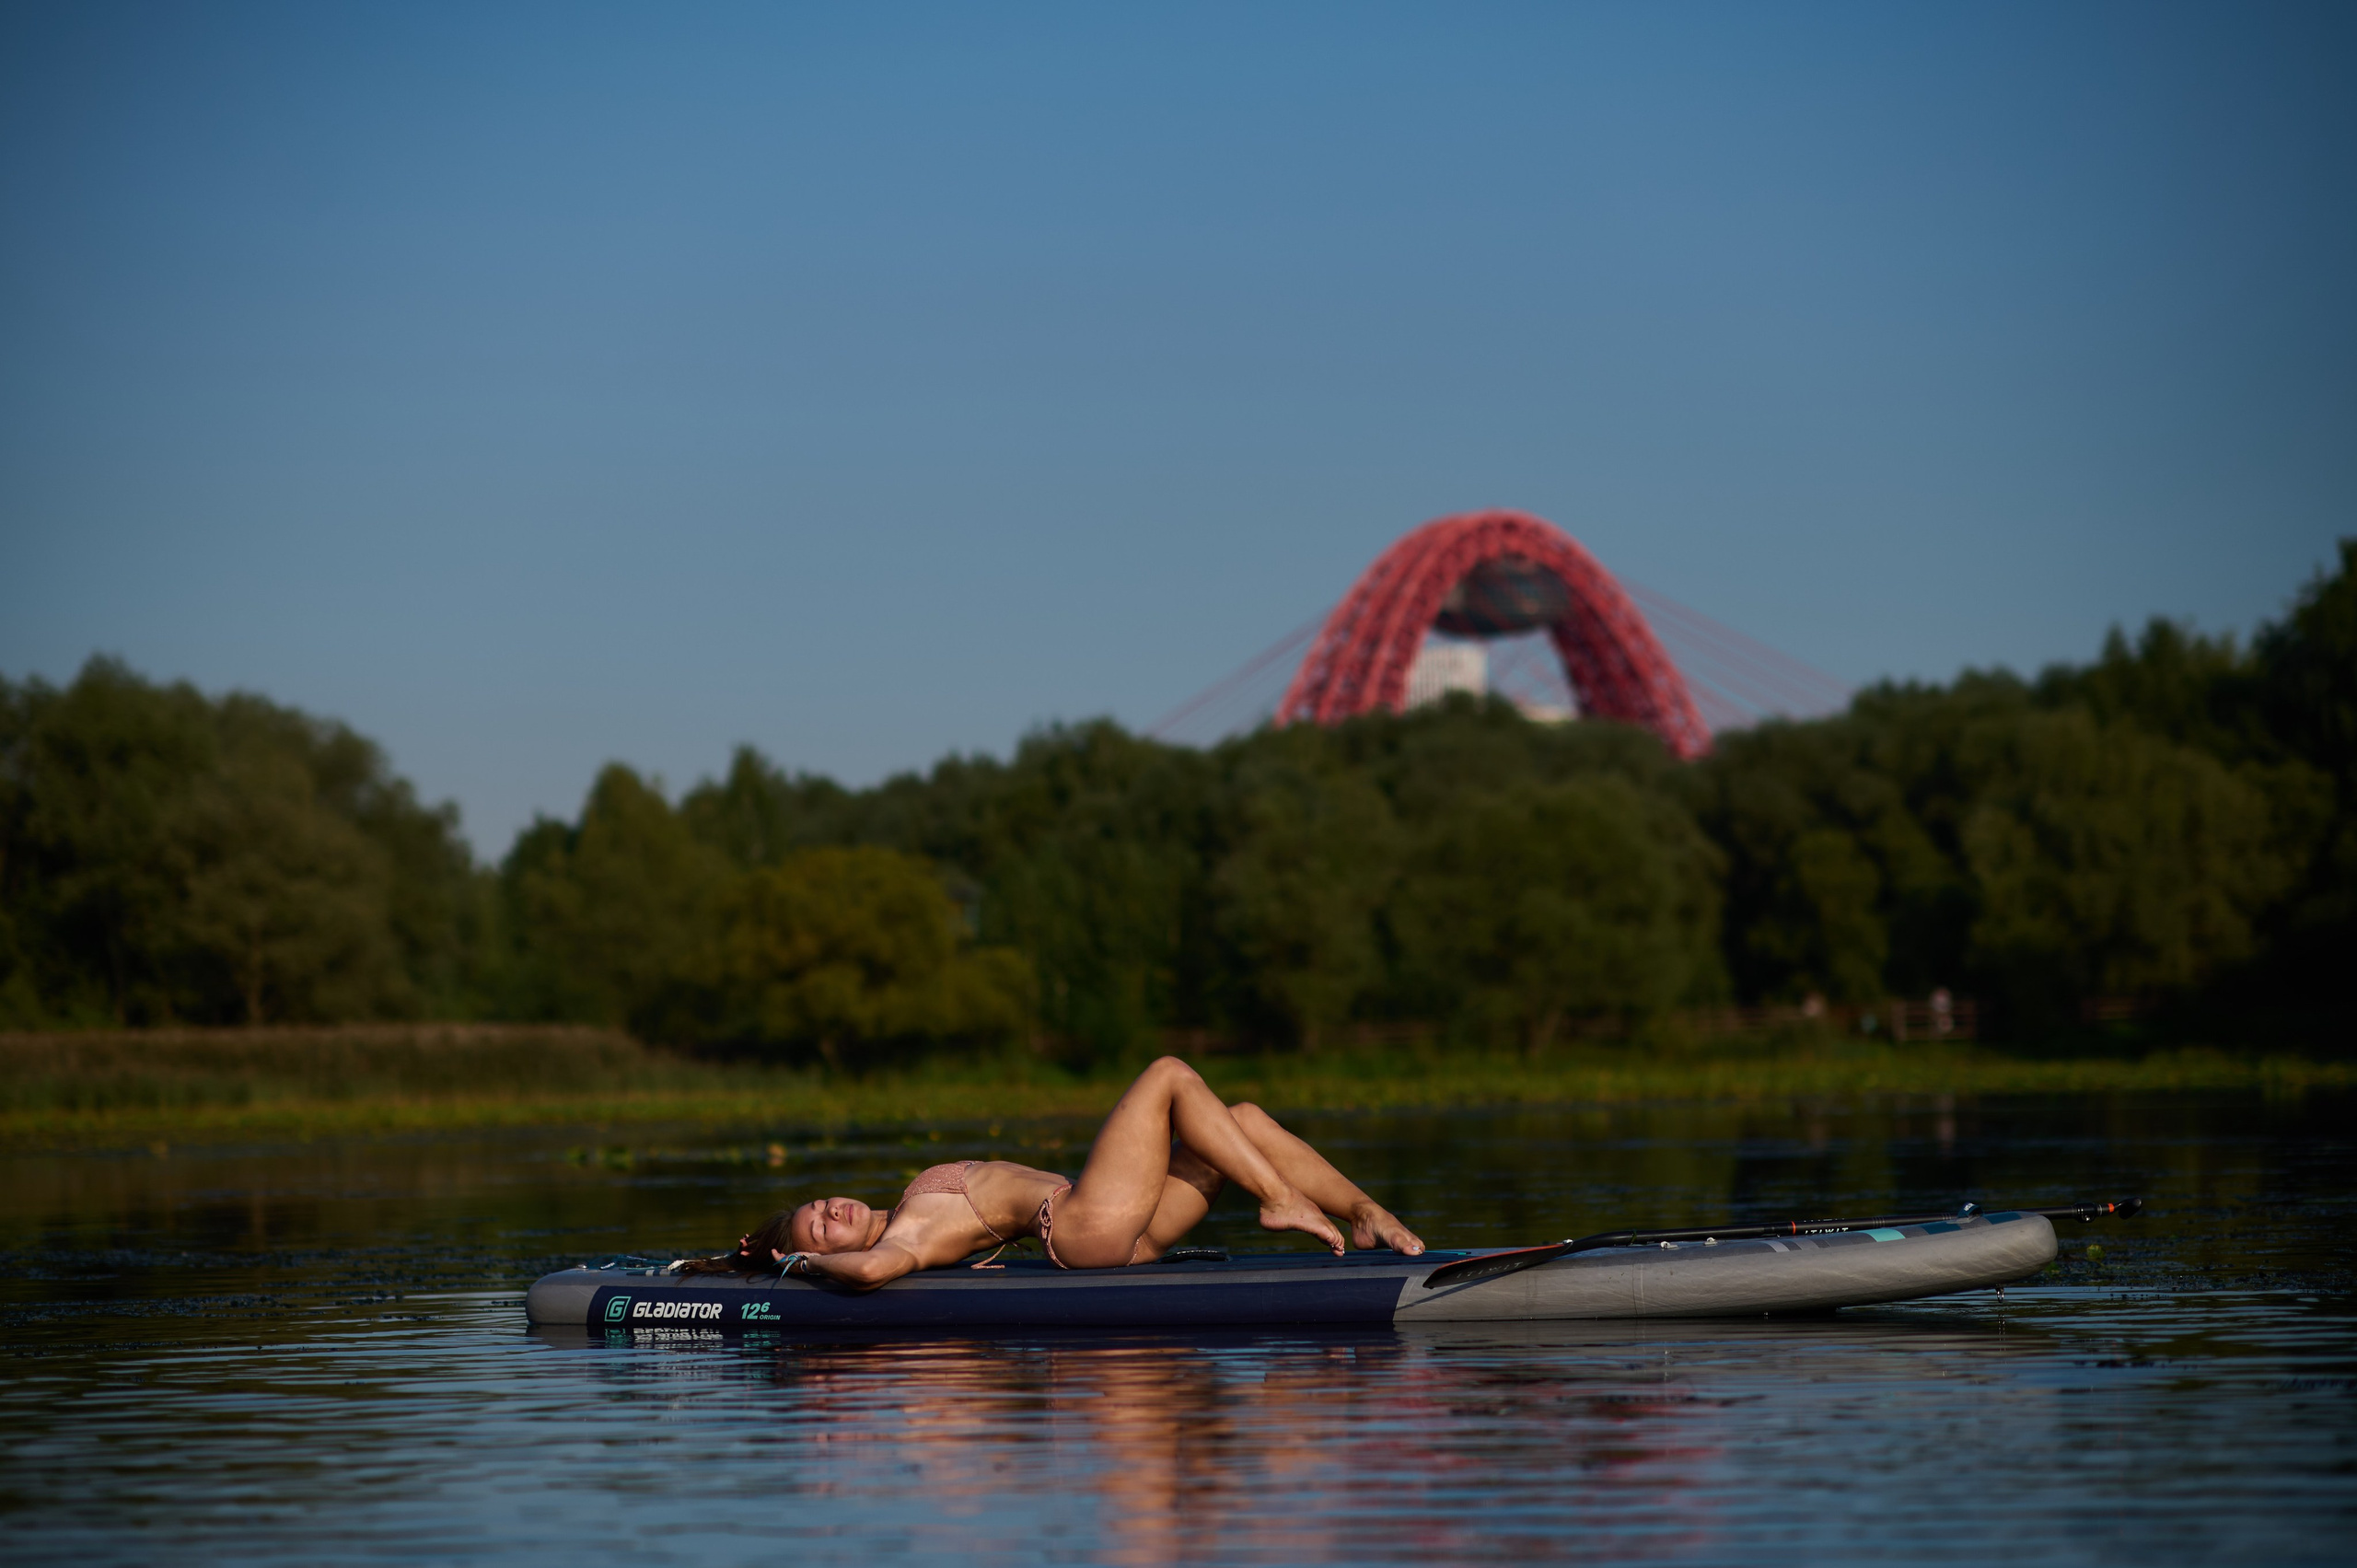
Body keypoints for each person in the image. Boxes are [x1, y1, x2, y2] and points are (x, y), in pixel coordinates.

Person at [679, 1056, 1423, 1288]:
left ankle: (1362, 1210)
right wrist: (802, 1264)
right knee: (1167, 1074)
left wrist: (800, 1248)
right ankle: (1280, 1199)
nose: (832, 1211)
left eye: (820, 1203)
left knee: (1246, 1119)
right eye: (820, 1227)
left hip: (1122, 1227)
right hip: (1084, 1224)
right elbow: (874, 1272)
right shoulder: (904, 1234)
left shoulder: (903, 1201)